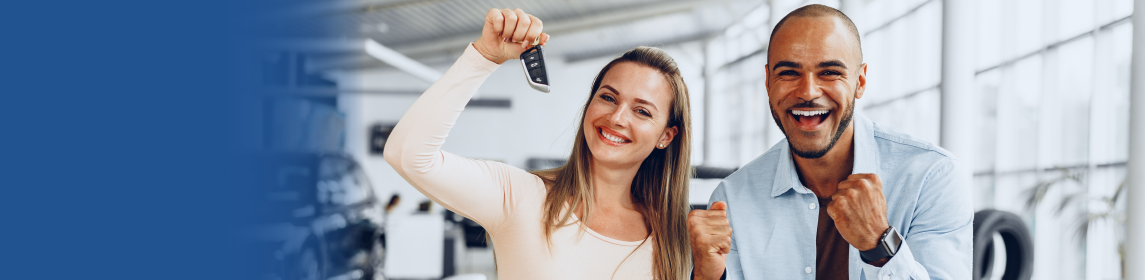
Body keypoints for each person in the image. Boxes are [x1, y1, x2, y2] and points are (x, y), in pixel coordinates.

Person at [384, 8, 695, 280]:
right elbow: (408, 154)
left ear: (666, 136)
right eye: (608, 97)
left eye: (642, 111)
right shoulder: (520, 196)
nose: (616, 117)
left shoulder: (671, 235)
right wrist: (483, 58)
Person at [687, 4, 972, 280]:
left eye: (829, 72)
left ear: (860, 82)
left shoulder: (931, 178)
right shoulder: (732, 200)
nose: (808, 92)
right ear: (767, 82)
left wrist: (880, 245)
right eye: (789, 72)